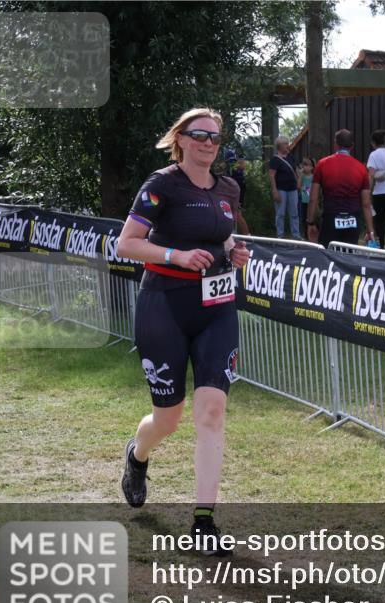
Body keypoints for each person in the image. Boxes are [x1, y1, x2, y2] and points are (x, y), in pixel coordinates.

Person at [117, 108, 251, 556]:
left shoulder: (229, 187)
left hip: (217, 308)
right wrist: (177, 255)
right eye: (199, 135)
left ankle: (204, 521)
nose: (208, 143)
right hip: (165, 306)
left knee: (212, 412)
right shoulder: (162, 184)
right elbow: (128, 243)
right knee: (168, 419)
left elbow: (223, 237)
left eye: (215, 137)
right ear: (182, 139)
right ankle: (137, 455)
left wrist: (235, 252)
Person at [307, 128, 376, 248]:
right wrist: (370, 231)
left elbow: (313, 198)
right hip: (353, 219)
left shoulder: (322, 164)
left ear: (335, 144)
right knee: (348, 259)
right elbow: (366, 204)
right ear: (352, 146)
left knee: (327, 258)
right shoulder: (361, 169)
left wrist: (310, 222)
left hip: (331, 217)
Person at [269, 135, 299, 239]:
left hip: (292, 189)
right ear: (279, 146)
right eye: (285, 144)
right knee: (280, 214)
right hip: (281, 189)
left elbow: (295, 170)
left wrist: (298, 181)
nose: (287, 145)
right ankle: (280, 236)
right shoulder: (275, 159)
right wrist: (274, 190)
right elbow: (271, 175)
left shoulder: (291, 157)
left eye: (287, 143)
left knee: (294, 213)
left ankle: (296, 235)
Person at [224, 149, 250, 235]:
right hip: (233, 192)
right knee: (230, 214)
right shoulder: (233, 167)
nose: (232, 162)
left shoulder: (236, 168)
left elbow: (239, 185)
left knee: (238, 215)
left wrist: (238, 199)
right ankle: (233, 234)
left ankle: (247, 236)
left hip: (237, 193)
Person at [298, 157, 316, 242]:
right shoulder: (302, 177)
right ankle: (304, 236)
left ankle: (312, 235)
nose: (305, 167)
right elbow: (298, 186)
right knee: (303, 218)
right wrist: (300, 175)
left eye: (307, 165)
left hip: (311, 201)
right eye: (304, 165)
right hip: (303, 200)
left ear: (312, 167)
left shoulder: (313, 177)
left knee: (311, 218)